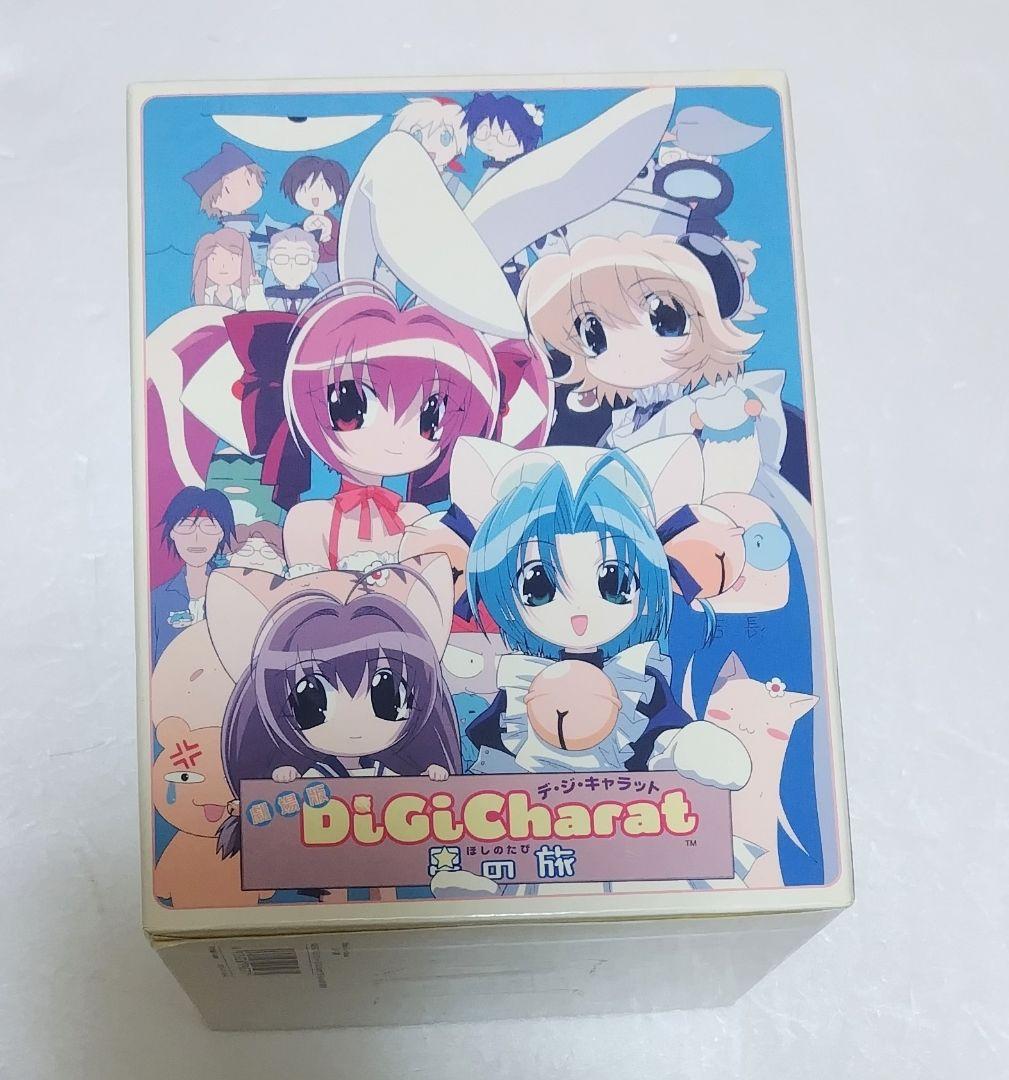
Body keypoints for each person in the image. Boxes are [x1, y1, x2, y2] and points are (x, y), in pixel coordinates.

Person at [151, 487, 236, 666]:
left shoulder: (233, 594)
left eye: (208, 528)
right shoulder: (157, 600)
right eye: (186, 527)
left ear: (221, 534)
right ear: (172, 533)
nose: (197, 538)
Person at [279, 156, 350, 288]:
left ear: (339, 194)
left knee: (336, 291)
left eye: (323, 188)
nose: (315, 196)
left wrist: (327, 239)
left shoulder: (336, 225)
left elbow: (341, 245)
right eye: (305, 189)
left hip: (334, 263)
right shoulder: (304, 225)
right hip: (310, 266)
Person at [391, 97, 470, 205]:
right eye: (417, 135)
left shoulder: (455, 186)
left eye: (444, 138)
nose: (430, 147)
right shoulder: (399, 180)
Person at [183, 142, 266, 234]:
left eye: (248, 182)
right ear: (213, 203)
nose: (246, 193)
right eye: (228, 191)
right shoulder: (230, 228)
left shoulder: (242, 221)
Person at [191, 228, 254, 309]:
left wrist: (256, 288)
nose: (223, 266)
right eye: (214, 259)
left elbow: (259, 311)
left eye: (232, 259)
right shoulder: (205, 295)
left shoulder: (245, 295)